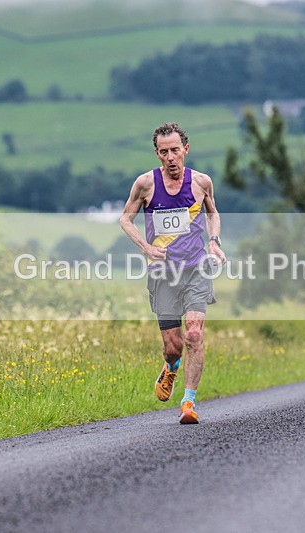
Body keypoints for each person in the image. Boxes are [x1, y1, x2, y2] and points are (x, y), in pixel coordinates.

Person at [120, 122, 226, 424]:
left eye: (175, 151)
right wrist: (145, 247)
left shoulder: (202, 182)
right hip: (162, 272)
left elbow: (212, 212)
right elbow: (126, 220)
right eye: (164, 152)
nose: (170, 157)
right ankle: (170, 367)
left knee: (194, 334)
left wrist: (215, 243)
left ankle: (188, 403)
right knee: (173, 346)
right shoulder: (145, 185)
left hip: (195, 268)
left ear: (186, 150)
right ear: (157, 154)